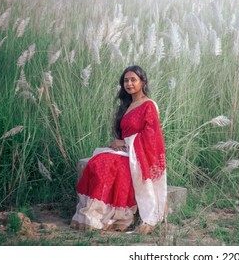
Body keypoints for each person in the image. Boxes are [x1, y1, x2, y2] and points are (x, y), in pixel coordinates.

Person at [70, 65, 167, 234]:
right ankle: (95, 214)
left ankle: (114, 216)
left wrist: (124, 142)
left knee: (106, 164)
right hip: (125, 150)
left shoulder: (148, 105)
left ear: (143, 82)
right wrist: (120, 143)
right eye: (126, 80)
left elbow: (152, 138)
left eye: (133, 80)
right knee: (96, 162)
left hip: (137, 154)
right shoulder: (127, 105)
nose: (129, 84)